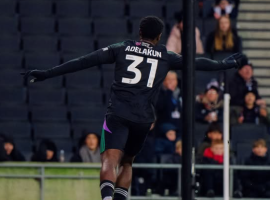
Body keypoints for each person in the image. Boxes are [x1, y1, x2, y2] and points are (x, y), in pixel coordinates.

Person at [22, 16, 244, 200]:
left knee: (110, 160)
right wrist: (224, 64)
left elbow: (83, 61)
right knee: (127, 162)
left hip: (117, 114)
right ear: (158, 37)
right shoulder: (164, 55)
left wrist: (47, 73)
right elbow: (196, 62)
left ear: (139, 32)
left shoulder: (121, 48)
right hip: (143, 119)